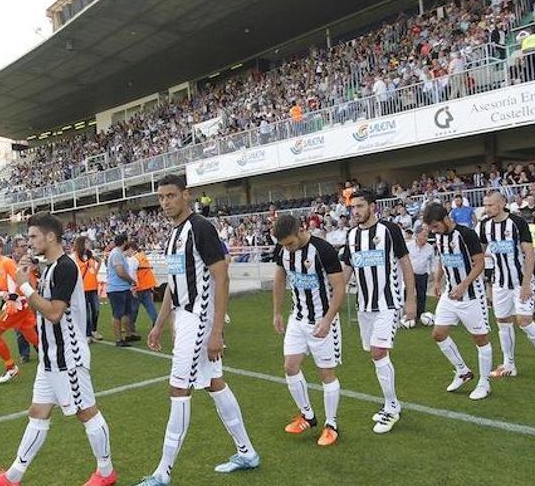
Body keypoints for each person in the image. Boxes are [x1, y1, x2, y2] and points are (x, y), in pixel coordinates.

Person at [0, 213, 117, 486]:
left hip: (68, 356)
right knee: (37, 412)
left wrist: (24, 284)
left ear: (50, 237)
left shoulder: (65, 267)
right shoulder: (50, 266)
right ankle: (12, 476)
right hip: (50, 357)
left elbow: (54, 313)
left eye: (32, 236)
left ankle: (106, 471)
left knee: (86, 412)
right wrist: (28, 278)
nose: (28, 243)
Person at [135, 174, 259, 486]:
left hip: (199, 319)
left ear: (186, 195)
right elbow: (174, 287)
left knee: (179, 389)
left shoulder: (201, 228)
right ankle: (246, 453)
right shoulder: (172, 235)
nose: (165, 203)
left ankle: (163, 473)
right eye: (161, 197)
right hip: (184, 316)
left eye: (171, 196)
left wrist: (217, 331)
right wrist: (159, 323)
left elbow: (222, 278)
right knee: (215, 383)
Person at [342, 189, 416, 433]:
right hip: (364, 306)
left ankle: (392, 406)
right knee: (375, 355)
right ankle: (389, 403)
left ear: (372, 206)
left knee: (378, 352)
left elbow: (405, 264)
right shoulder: (351, 235)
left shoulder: (390, 230)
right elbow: (347, 269)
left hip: (388, 302)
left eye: (361, 206)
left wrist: (411, 299)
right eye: (353, 208)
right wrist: (336, 296)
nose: (356, 211)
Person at [271, 214, 345, 446]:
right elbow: (280, 280)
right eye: (284, 245)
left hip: (322, 322)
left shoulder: (323, 250)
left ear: (301, 230)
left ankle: (331, 425)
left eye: (290, 243)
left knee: (326, 375)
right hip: (298, 318)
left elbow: (339, 287)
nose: (288, 249)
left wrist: (328, 319)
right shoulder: (282, 250)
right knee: (290, 367)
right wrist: (277, 312)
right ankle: (308, 416)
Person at [478, 193, 535, 382]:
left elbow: (529, 254)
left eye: (491, 205)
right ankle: (509, 364)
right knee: (503, 322)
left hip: (521, 281)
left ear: (502, 204)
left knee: (525, 321)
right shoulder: (484, 226)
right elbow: (479, 252)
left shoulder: (518, 223)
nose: (487, 209)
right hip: (499, 283)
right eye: (485, 205)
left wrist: (527, 283)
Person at [423, 202, 494, 401]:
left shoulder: (467, 234)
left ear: (446, 219)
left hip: (471, 294)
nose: (434, 230)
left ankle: (484, 382)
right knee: (438, 334)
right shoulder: (438, 236)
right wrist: (437, 281)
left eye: (436, 226)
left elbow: (479, 264)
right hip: (449, 293)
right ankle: (462, 371)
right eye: (431, 228)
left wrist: (463, 285)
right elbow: (441, 259)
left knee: (480, 339)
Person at [0, 237, 40, 383]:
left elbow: (20, 280)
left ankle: (11, 367)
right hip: (13, 304)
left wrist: (13, 297)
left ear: (0, 249)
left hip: (18, 305)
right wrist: (0, 293)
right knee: (31, 335)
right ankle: (51, 357)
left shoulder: (7, 262)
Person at [107, 234, 137, 347]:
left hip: (122, 288)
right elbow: (120, 272)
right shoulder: (116, 254)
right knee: (118, 314)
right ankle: (119, 339)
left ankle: (128, 334)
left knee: (126, 312)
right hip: (116, 289)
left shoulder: (119, 254)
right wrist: (131, 281)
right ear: (124, 242)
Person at [126, 242, 159, 335]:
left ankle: (131, 326)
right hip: (147, 285)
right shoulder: (142, 256)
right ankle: (156, 323)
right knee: (150, 306)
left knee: (133, 309)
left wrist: (133, 288)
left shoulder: (134, 259)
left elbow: (132, 273)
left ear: (131, 249)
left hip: (139, 287)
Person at [75, 235, 103, 342]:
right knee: (86, 312)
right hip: (82, 288)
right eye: (86, 243)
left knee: (96, 310)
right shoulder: (76, 256)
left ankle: (94, 330)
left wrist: (95, 272)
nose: (89, 244)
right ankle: (87, 333)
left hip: (93, 287)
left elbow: (99, 261)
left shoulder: (90, 255)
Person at [11, 236, 35, 363]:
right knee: (20, 329)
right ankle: (24, 354)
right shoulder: (11, 263)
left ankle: (40, 349)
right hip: (18, 300)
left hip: (33, 297)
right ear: (15, 249)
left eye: (26, 245)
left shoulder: (32, 260)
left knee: (36, 326)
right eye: (22, 246)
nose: (25, 248)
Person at [407, 225, 435, 320]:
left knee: (421, 295)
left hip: (422, 274)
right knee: (407, 293)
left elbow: (432, 262)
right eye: (423, 235)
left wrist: (431, 273)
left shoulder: (429, 248)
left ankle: (420, 315)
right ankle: (407, 313)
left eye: (427, 236)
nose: (425, 238)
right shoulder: (409, 245)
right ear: (417, 235)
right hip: (410, 274)